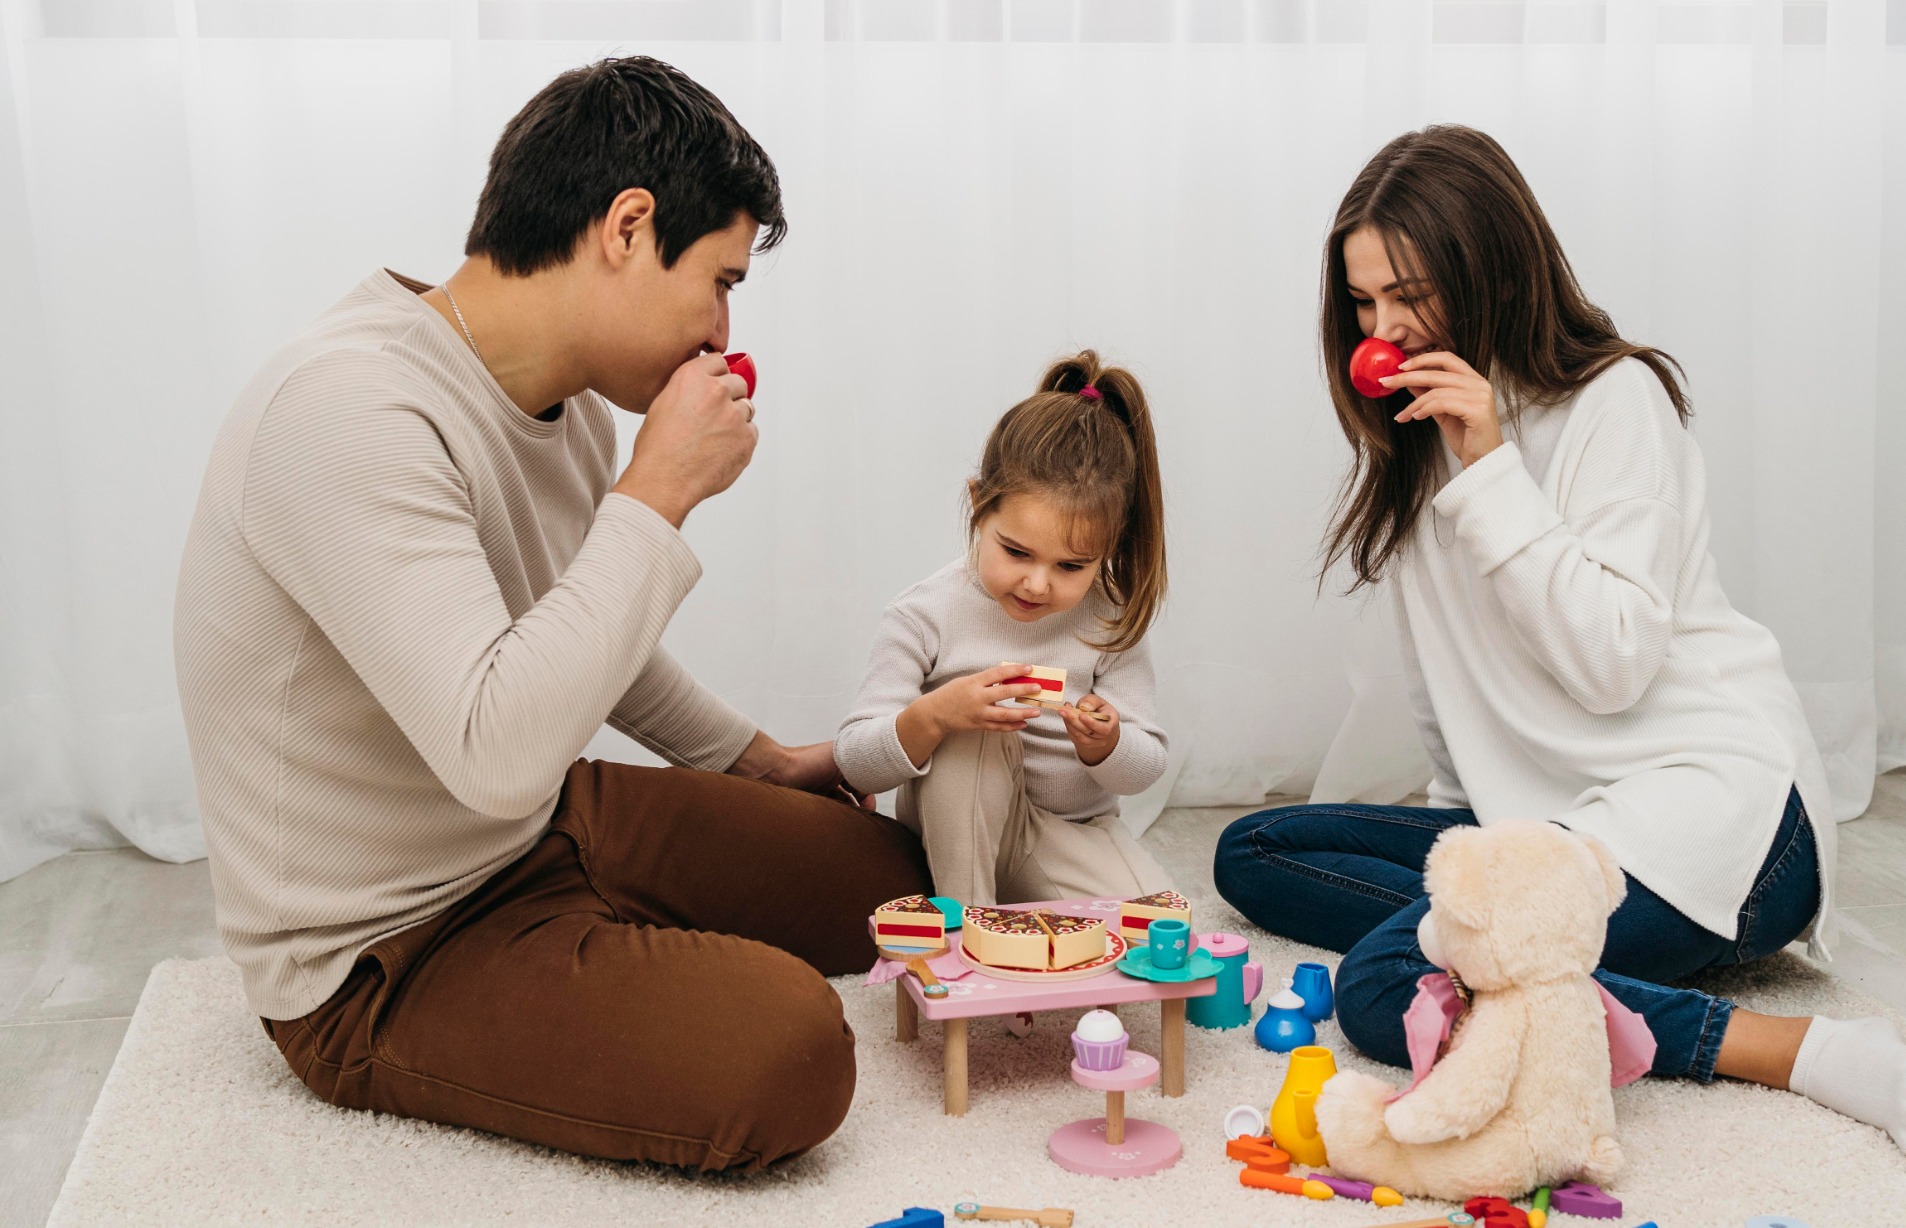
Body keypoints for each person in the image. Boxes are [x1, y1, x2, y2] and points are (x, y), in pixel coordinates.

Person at [171, 57, 932, 1171]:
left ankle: (607, 944)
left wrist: (759, 763)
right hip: (386, 950)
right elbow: (494, 751)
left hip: (536, 825)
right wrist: (657, 492)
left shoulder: (559, 397)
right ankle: (586, 974)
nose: (722, 334)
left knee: (895, 883)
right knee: (791, 1052)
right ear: (627, 226)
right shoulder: (347, 412)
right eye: (718, 279)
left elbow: (578, 633)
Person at [1212, 125, 1906, 1161]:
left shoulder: (1614, 402)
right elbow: (1448, 684)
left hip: (1718, 811)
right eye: (1364, 302)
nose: (1381, 328)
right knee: (1256, 850)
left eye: (1406, 295)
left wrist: (1490, 465)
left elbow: (1609, 666)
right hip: (1550, 819)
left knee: (1382, 983)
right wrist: (1465, 851)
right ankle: (1537, 946)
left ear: (1489, 267)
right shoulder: (1418, 436)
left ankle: (1783, 1047)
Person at [835, 351, 1175, 906]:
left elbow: (1144, 769)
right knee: (973, 727)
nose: (1038, 585)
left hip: (1069, 833)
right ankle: (968, 922)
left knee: (1158, 942)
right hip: (957, 839)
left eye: (1071, 566)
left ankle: (1010, 909)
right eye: (1016, 552)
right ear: (978, 507)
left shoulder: (1110, 618)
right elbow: (857, 762)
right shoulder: (922, 615)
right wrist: (937, 713)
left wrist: (1106, 742)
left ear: (1106, 550)